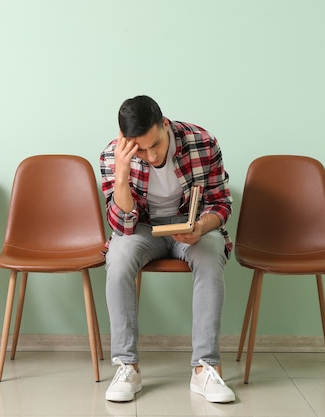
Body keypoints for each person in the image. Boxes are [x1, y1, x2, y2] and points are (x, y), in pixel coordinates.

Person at [99, 95, 235, 403]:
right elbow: (122, 227)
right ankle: (127, 365)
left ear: (164, 125)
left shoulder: (202, 142)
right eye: (140, 149)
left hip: (191, 228)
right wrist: (122, 173)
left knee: (211, 253)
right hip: (141, 229)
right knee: (118, 256)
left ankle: (205, 368)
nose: (150, 155)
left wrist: (200, 226)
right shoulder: (112, 155)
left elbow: (221, 202)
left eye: (155, 144)